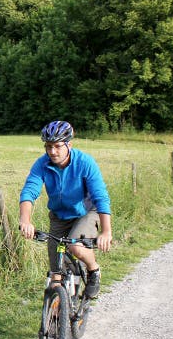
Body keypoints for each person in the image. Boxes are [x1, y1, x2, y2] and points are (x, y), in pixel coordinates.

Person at [18, 120, 112, 298]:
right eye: (48, 146)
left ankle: (94, 271)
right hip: (59, 217)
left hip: (86, 214)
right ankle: (53, 321)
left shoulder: (85, 163)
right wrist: (25, 220)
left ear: (69, 144)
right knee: (56, 275)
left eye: (57, 146)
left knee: (75, 247)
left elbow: (100, 197)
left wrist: (106, 232)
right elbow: (29, 191)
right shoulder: (42, 164)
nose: (52, 151)